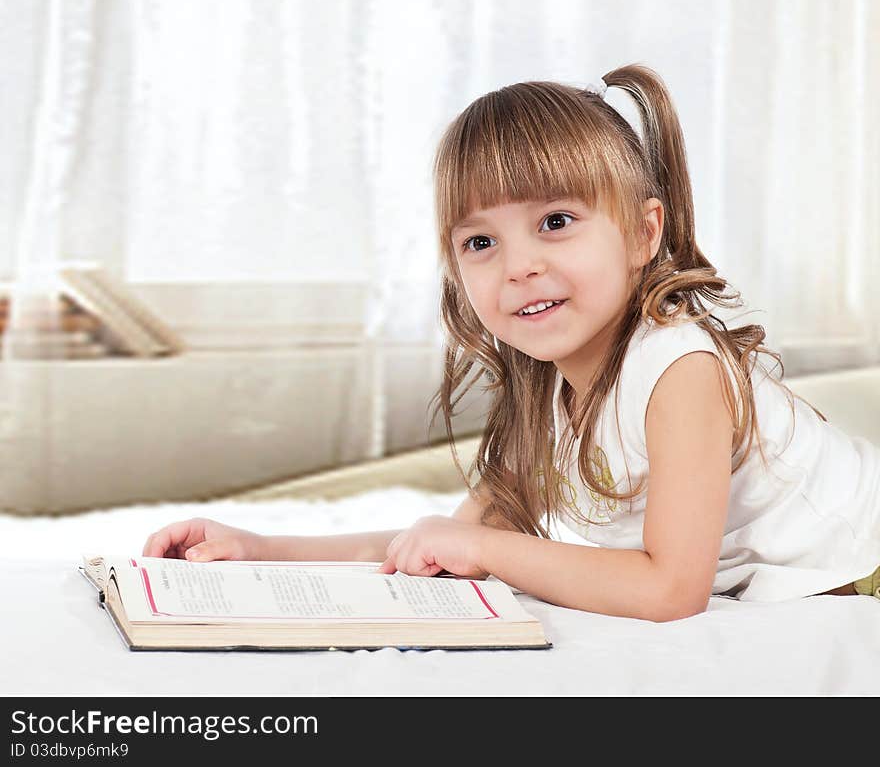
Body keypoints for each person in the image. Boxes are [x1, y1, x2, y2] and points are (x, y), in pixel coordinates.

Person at [143, 63, 880, 622]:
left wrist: (486, 551)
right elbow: (441, 542)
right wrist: (259, 550)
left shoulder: (677, 367)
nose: (519, 265)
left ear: (643, 234)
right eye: (480, 240)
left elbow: (671, 589)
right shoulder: (548, 387)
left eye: (556, 221)